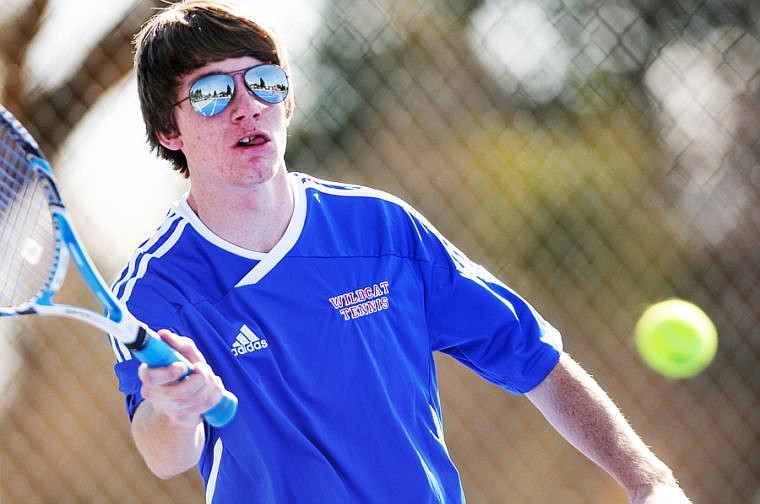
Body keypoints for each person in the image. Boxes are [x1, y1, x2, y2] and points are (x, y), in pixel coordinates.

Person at [109, 1, 692, 502]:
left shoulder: (381, 229)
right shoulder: (154, 287)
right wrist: (175, 408)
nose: (247, 105)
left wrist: (648, 479)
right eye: (212, 93)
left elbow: (532, 357)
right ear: (169, 131)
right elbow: (164, 454)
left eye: (265, 82)